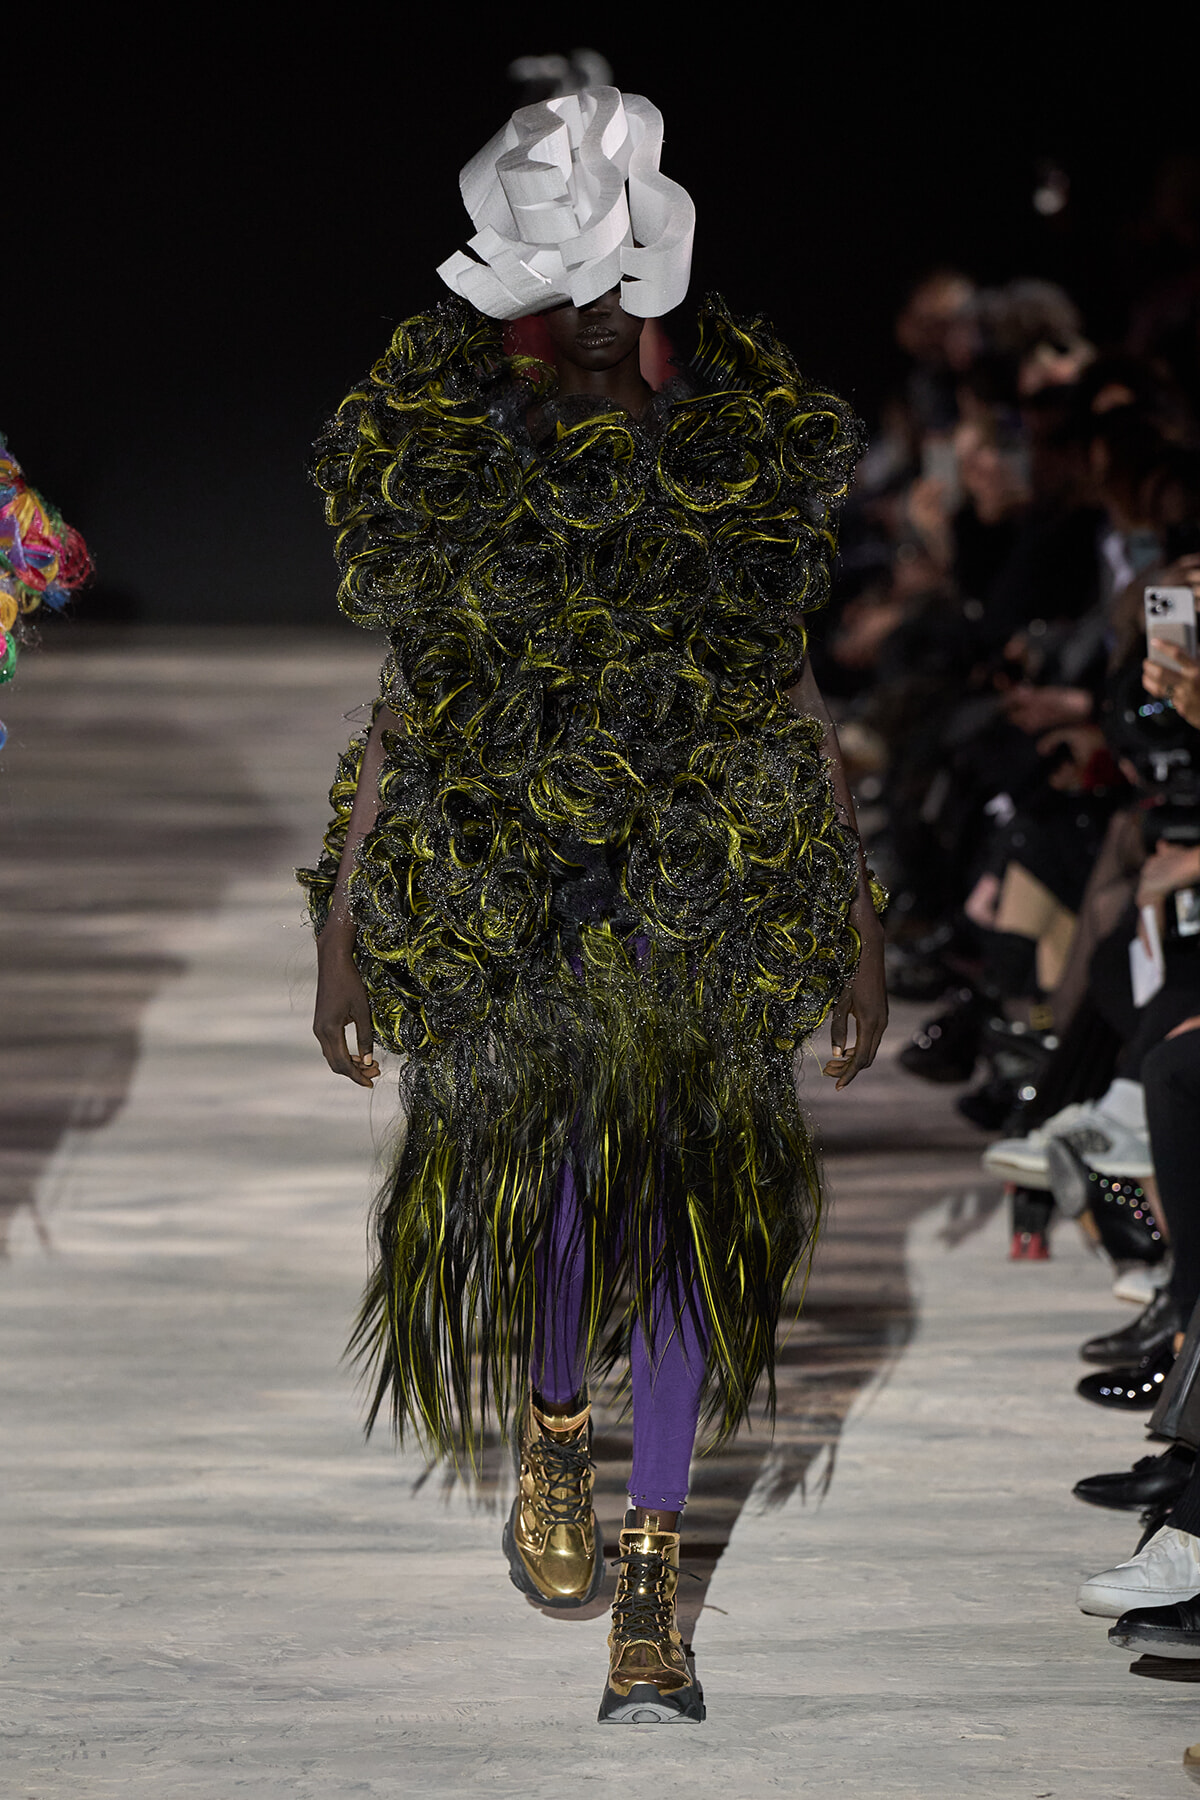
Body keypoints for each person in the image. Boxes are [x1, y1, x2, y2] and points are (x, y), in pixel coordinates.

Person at [299, 87, 887, 1725]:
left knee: (686, 1226)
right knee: (559, 1204)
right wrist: (344, 934)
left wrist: (858, 917)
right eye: (564, 284)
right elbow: (408, 712)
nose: (592, 310)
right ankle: (557, 1430)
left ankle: (653, 1583)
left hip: (701, 890)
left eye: (616, 278)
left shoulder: (730, 470)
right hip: (523, 896)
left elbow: (792, 698)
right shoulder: (468, 473)